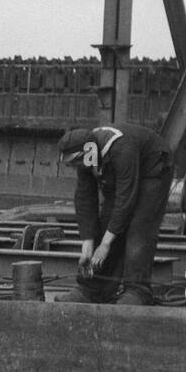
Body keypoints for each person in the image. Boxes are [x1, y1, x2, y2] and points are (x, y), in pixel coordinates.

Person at [56, 122, 173, 305]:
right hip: (123, 173)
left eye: (76, 161)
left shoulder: (121, 148)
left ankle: (138, 291)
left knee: (139, 228)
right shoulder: (85, 157)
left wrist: (105, 245)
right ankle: (93, 288)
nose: (75, 167)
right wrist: (88, 245)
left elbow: (125, 200)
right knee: (107, 222)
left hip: (152, 169)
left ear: (88, 152)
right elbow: (85, 200)